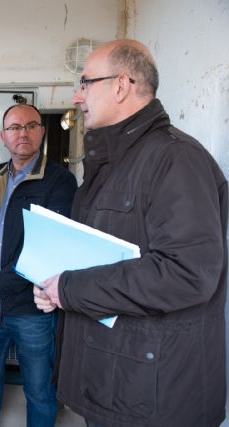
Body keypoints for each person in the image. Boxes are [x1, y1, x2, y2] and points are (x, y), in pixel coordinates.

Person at [33, 39, 228, 427]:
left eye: (86, 83)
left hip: (152, 396)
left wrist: (71, 288)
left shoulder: (176, 158)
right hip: (115, 380)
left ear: (121, 85)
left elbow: (187, 273)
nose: (77, 96)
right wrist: (58, 287)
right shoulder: (112, 162)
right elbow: (101, 257)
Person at [0, 103, 77, 427]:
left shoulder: (60, 181)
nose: (22, 133)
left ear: (42, 131)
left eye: (30, 126)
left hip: (31, 309)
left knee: (39, 389)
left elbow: (47, 247)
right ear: (3, 136)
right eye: (14, 127)